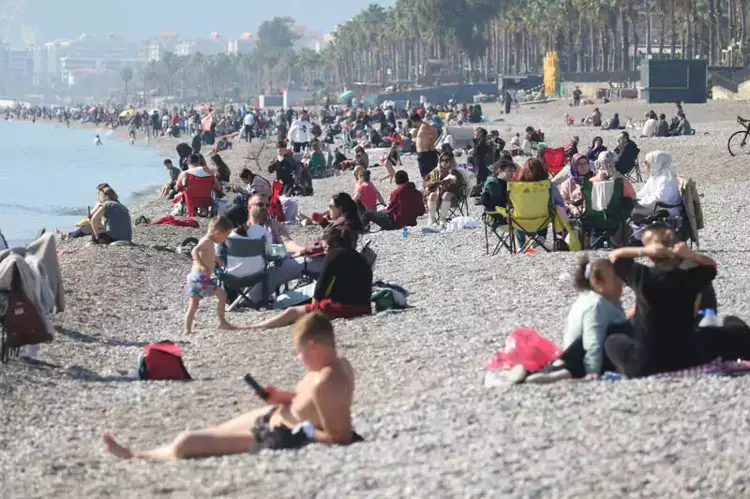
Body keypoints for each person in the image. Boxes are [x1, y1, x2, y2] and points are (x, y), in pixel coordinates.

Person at [103, 313, 361, 459]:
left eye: (299, 352)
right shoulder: (331, 367)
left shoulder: (329, 381)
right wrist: (281, 396)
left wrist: (307, 432)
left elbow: (341, 436)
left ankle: (135, 454)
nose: (299, 358)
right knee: (213, 430)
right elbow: (313, 402)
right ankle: (146, 451)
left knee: (187, 443)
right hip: (278, 416)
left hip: (278, 434)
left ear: (314, 345)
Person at [604, 224, 750, 377]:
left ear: (651, 255)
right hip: (689, 357)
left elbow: (615, 256)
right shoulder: (690, 277)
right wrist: (691, 255)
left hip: (645, 364)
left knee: (612, 341)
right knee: (726, 329)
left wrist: (643, 251)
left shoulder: (642, 277)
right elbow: (711, 265)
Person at [510, 256, 628, 384]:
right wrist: (592, 370)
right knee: (620, 331)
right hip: (586, 356)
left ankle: (559, 370)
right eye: (615, 278)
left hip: (574, 355)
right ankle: (562, 370)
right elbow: (592, 339)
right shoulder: (597, 304)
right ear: (596, 282)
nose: (620, 281)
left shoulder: (596, 298)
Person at [246, 226, 373, 330]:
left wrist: (314, 308)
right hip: (364, 306)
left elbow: (322, 285)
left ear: (331, 244)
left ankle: (255, 327)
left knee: (291, 312)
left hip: (346, 307)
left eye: (324, 247)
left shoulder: (334, 254)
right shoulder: (358, 257)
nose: (324, 249)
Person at [184, 216, 236, 334]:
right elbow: (194, 251)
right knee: (222, 295)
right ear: (217, 232)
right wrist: (201, 264)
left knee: (193, 304)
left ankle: (187, 329)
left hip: (193, 277)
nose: (225, 239)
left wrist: (216, 259)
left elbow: (207, 253)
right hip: (200, 276)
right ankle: (221, 321)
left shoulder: (209, 241)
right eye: (225, 236)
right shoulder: (207, 241)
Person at [634, 150, 681, 216]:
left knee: (631, 211)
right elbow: (644, 192)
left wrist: (640, 202)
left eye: (647, 162)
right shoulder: (656, 175)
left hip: (665, 210)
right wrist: (634, 198)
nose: (645, 164)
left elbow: (660, 198)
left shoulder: (666, 178)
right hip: (656, 206)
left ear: (655, 163)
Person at [425, 150, 465, 225]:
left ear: (451, 161)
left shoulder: (455, 172)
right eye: (442, 160)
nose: (444, 162)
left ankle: (442, 219)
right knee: (432, 195)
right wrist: (434, 183)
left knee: (446, 194)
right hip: (437, 194)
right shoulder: (435, 172)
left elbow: (461, 185)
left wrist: (454, 182)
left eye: (447, 160)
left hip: (453, 196)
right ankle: (432, 219)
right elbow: (426, 183)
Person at [412, 113, 438, 179]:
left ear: (413, 121)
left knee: (428, 175)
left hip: (426, 154)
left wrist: (432, 144)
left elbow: (434, 132)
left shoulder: (425, 126)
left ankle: (430, 187)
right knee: (428, 174)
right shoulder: (423, 126)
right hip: (425, 153)